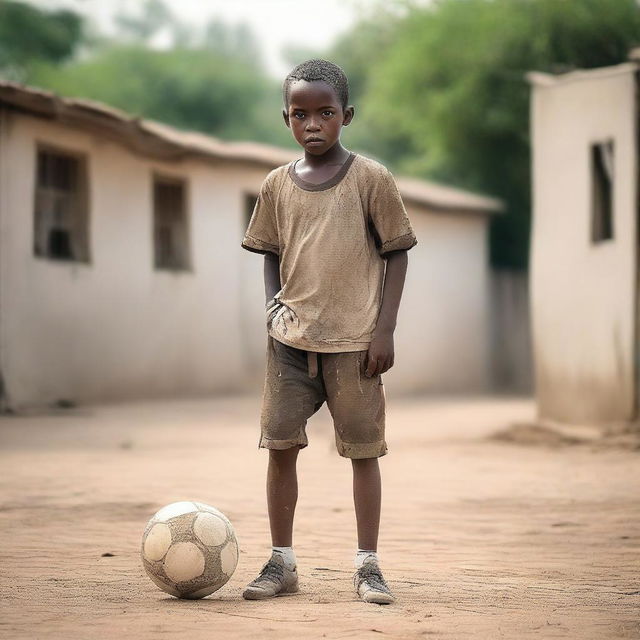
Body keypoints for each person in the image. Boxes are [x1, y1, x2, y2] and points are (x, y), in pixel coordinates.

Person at [240, 59, 417, 605]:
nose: (312, 124)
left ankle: (368, 565)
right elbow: (269, 251)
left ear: (347, 115)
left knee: (364, 451)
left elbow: (398, 253)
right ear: (285, 118)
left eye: (325, 113)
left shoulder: (371, 179)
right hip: (289, 344)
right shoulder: (275, 185)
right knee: (280, 448)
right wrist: (274, 309)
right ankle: (282, 562)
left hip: (355, 345)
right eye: (300, 114)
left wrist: (384, 331)